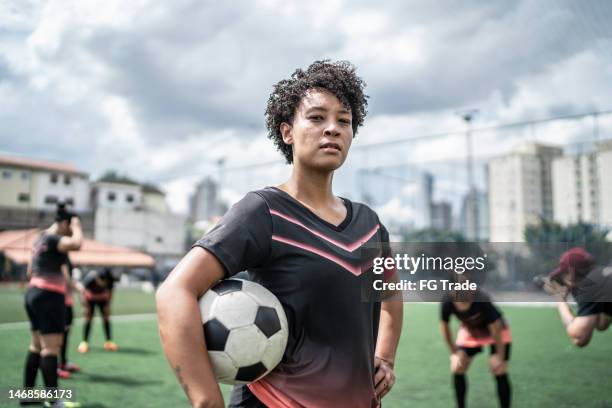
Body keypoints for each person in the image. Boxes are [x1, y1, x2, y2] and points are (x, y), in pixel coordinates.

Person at [157, 60, 403, 408]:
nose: (332, 128)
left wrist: (386, 358)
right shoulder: (264, 211)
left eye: (344, 121)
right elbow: (174, 292)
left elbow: (390, 297)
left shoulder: (369, 224)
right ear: (287, 132)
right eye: (317, 118)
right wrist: (206, 400)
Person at [22, 203, 82, 407]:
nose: (72, 231)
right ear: (65, 223)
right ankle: (54, 400)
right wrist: (78, 226)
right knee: (50, 349)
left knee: (36, 346)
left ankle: (27, 396)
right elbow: (77, 244)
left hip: (33, 292)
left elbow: (29, 272)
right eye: (70, 226)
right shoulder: (55, 239)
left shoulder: (39, 239)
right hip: (49, 296)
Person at [440, 282, 512, 408]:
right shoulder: (447, 301)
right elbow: (445, 329)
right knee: (458, 366)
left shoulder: (482, 299)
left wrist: (500, 356)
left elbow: (495, 329)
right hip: (472, 331)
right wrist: (454, 354)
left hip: (496, 332)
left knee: (498, 368)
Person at [543, 247, 612, 348]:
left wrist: (559, 298)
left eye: (563, 274)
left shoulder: (589, 284)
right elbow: (602, 324)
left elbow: (580, 337)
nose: (562, 279)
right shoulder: (601, 278)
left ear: (571, 273)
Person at [77, 268, 118, 353]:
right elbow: (82, 291)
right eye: (102, 281)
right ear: (97, 278)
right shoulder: (90, 278)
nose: (103, 284)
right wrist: (85, 306)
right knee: (88, 318)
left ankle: (108, 342)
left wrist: (107, 305)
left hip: (102, 298)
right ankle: (84, 342)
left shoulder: (110, 279)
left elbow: (110, 292)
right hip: (90, 298)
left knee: (106, 318)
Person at [57, 259, 81, 379]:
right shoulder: (60, 258)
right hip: (59, 302)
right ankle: (56, 366)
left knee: (65, 334)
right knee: (57, 337)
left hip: (67, 303)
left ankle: (63, 362)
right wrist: (80, 288)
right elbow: (66, 279)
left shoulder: (66, 257)